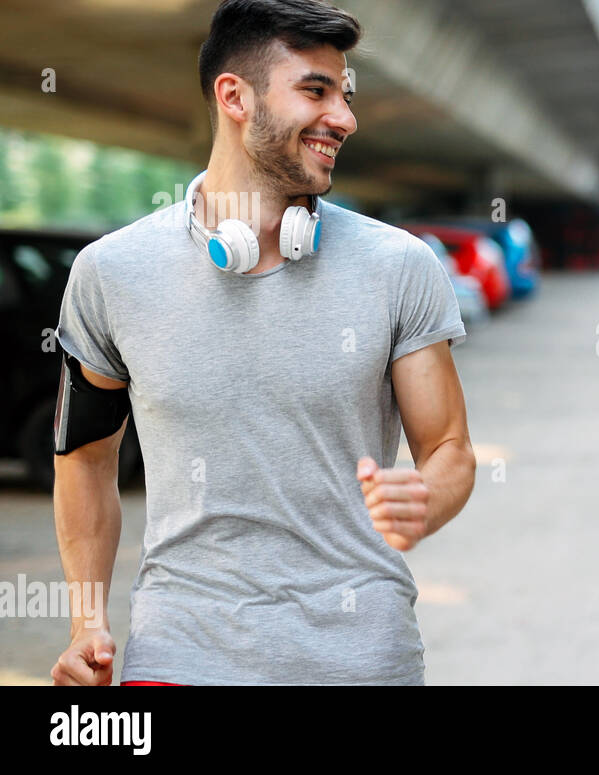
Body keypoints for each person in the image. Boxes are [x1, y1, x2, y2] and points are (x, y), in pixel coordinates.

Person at [49, 0, 475, 686]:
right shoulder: (111, 273)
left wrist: (425, 494)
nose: (345, 116)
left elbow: (449, 448)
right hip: (179, 654)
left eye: (345, 93)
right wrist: (87, 621)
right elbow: (85, 456)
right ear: (234, 96)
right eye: (316, 89)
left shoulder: (402, 267)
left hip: (362, 657)